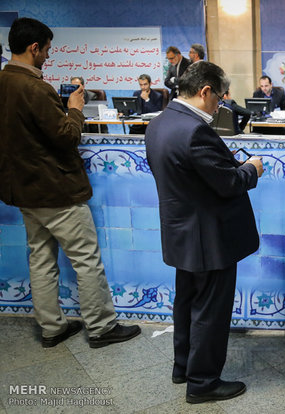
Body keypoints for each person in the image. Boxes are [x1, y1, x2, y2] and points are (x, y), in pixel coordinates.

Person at [0, 17, 140, 349]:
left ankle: (52, 327)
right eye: (47, 50)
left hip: (22, 191)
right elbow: (66, 137)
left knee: (40, 257)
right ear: (34, 48)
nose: (48, 56)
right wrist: (74, 109)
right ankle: (102, 327)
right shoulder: (35, 88)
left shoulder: (3, 81)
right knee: (85, 258)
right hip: (55, 190)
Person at [145, 61, 264, 404]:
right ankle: (203, 382)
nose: (221, 105)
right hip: (210, 237)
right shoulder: (196, 131)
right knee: (211, 311)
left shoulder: (159, 124)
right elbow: (228, 183)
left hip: (180, 231)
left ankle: (183, 366)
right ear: (205, 91)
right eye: (219, 98)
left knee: (186, 303)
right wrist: (250, 169)